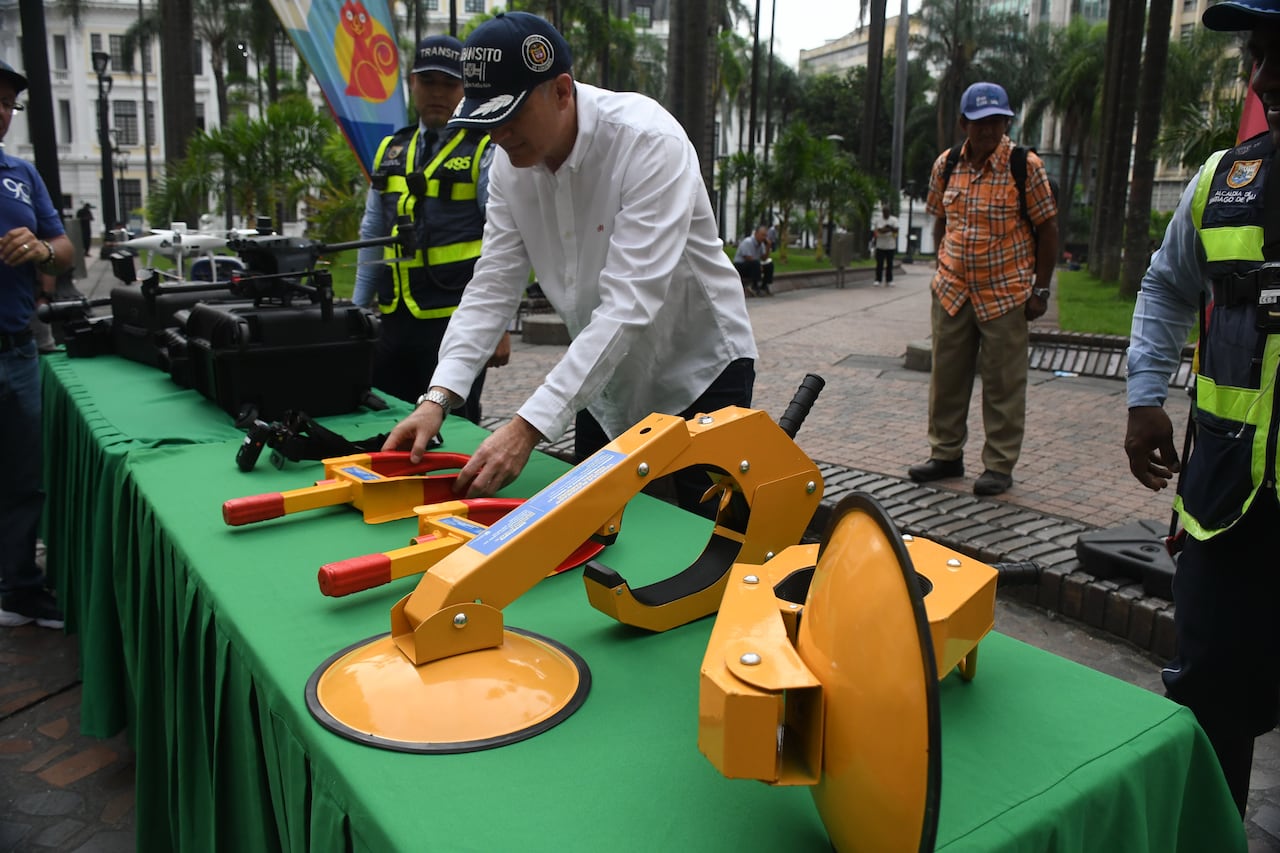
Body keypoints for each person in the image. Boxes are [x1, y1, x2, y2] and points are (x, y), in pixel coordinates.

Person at [381, 12, 757, 513]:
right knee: (594, 532)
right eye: (488, 121)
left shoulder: (647, 142)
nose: (499, 135)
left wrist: (527, 426)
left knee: (709, 540)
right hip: (600, 382)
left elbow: (629, 304)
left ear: (561, 91)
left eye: (509, 117)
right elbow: (492, 286)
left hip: (699, 370)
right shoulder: (509, 170)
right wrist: (438, 397)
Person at [1123, 0, 1280, 818]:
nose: (1266, 77)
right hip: (1225, 507)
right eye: (1260, 54)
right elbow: (1165, 283)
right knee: (1210, 697)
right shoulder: (1227, 182)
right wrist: (1145, 394)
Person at [907, 81, 1058, 497]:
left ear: (1007, 122)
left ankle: (998, 464)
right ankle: (945, 454)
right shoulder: (948, 164)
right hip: (954, 290)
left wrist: (1040, 290)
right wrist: (943, 267)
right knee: (947, 378)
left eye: (997, 122)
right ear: (963, 124)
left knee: (1003, 383)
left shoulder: (1024, 166)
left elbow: (1048, 230)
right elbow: (940, 220)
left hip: (1006, 293)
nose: (989, 131)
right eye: (980, 123)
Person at [352, 35, 509, 422]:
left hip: (456, 324)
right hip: (394, 319)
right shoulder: (391, 148)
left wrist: (500, 326)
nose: (438, 93)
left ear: (465, 89)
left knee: (455, 427)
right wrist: (356, 309)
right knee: (384, 420)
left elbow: (505, 240)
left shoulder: (483, 149)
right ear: (412, 84)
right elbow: (373, 227)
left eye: (449, 84)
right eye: (429, 82)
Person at [0, 59, 74, 629]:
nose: (1, 112)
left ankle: (20, 587)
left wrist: (43, 251)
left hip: (17, 350)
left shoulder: (22, 174)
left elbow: (64, 247)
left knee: (26, 476)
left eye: (9, 103)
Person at [733, 225, 772, 297]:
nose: (764, 238)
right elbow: (747, 257)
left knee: (769, 264)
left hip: (753, 265)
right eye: (762, 235)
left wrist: (768, 247)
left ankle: (764, 285)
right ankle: (754, 286)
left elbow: (764, 258)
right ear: (756, 234)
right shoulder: (748, 242)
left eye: (765, 236)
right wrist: (760, 266)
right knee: (756, 263)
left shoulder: (761, 244)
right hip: (740, 266)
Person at [870, 203, 899, 286]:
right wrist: (889, 228)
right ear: (882, 212)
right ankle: (878, 279)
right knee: (879, 264)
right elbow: (879, 231)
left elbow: (896, 230)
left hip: (890, 245)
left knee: (889, 264)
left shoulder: (894, 220)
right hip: (880, 245)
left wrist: (886, 229)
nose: (886, 213)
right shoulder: (878, 220)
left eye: (887, 211)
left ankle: (889, 280)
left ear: (889, 212)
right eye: (884, 211)